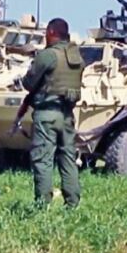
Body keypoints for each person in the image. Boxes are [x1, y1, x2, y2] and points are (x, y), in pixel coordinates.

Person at [20, 18, 83, 208]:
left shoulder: (48, 55)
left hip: (47, 114)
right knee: (68, 158)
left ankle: (42, 205)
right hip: (67, 115)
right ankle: (72, 203)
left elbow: (28, 83)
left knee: (43, 160)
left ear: (52, 33)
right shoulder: (76, 56)